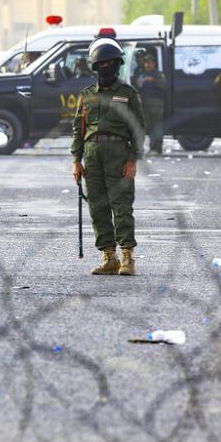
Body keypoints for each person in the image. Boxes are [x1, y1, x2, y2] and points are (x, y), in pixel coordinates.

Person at [71, 38, 144, 276]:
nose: (107, 67)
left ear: (118, 64)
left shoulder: (128, 94)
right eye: (102, 63)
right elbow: (78, 129)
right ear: (95, 66)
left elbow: (138, 129)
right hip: (92, 155)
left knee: (121, 205)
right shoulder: (86, 95)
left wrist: (133, 160)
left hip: (119, 154)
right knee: (97, 207)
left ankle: (127, 257)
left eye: (111, 63)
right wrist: (76, 160)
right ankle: (109, 256)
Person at [135, 53, 167, 155]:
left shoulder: (158, 74)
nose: (147, 65)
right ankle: (149, 148)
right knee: (147, 126)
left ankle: (157, 149)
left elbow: (164, 86)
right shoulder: (142, 74)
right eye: (146, 63)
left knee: (156, 126)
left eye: (149, 63)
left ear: (153, 63)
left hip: (156, 104)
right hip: (145, 103)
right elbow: (138, 86)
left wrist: (153, 80)